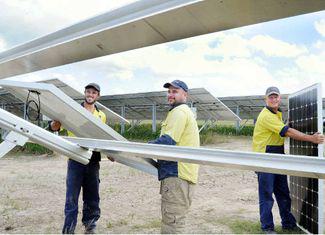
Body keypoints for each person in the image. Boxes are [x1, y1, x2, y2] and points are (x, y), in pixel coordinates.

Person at [253, 86, 325, 233]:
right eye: (270, 97)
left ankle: (288, 223)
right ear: (265, 99)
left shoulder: (276, 113)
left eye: (276, 96)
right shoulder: (266, 115)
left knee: (283, 193)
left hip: (278, 154)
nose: (273, 99)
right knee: (266, 195)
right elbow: (287, 132)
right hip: (264, 157)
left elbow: (283, 129)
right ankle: (267, 227)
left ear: (279, 98)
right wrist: (311, 138)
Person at [50, 83, 106, 234]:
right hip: (75, 156)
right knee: (72, 196)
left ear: (97, 96)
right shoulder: (73, 110)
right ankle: (69, 229)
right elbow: (55, 126)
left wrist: (112, 153)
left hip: (93, 159)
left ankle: (90, 224)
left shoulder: (102, 115)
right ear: (84, 93)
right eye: (88, 91)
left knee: (92, 194)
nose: (90, 94)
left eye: (94, 93)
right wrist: (54, 125)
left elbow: (103, 137)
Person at [149, 80, 200, 234]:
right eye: (169, 91)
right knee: (175, 220)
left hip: (177, 175)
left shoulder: (179, 112)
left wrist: (139, 148)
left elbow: (167, 141)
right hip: (181, 175)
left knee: (172, 224)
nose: (170, 94)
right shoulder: (180, 112)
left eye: (175, 91)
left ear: (185, 94)